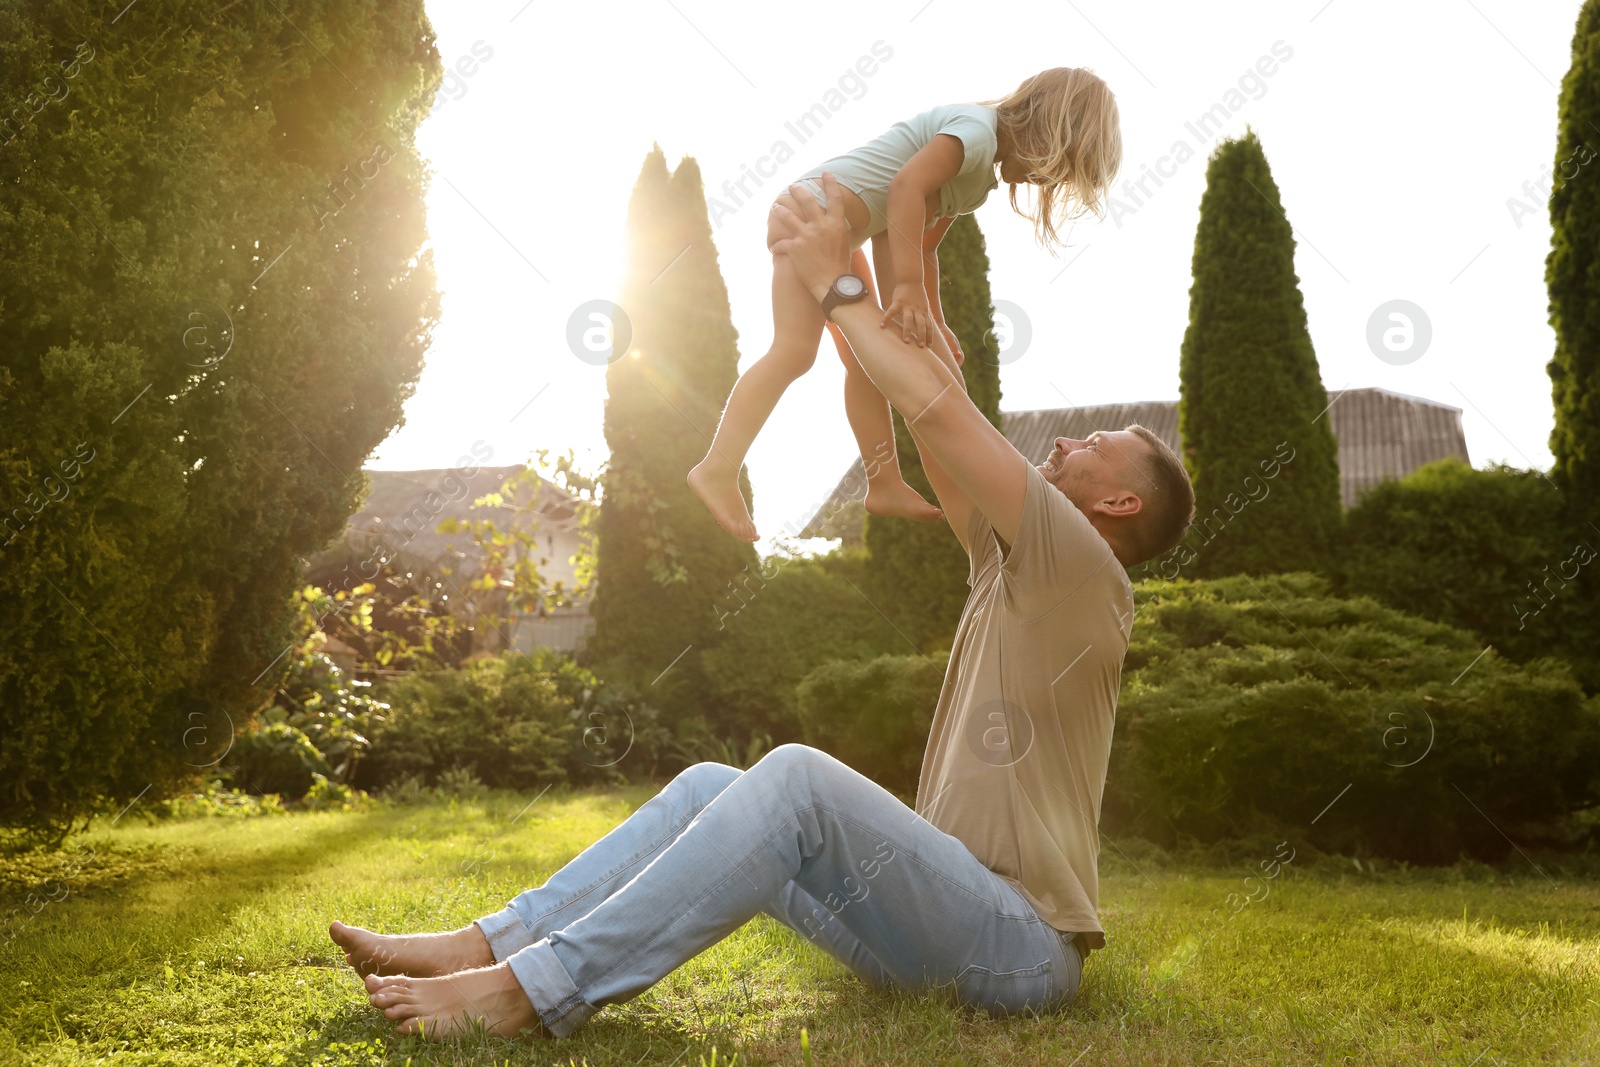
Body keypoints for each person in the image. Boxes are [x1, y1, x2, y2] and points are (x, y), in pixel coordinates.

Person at [329, 170, 1194, 1042]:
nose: (1067, 440)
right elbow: (939, 415)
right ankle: (484, 942)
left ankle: (531, 989)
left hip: (1020, 946)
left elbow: (940, 411)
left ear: (1119, 506)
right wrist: (880, 262)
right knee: (712, 785)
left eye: (1097, 446)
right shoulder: (1015, 569)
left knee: (797, 777)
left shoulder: (1085, 569)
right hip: (941, 922)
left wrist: (835, 281)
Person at [687, 67, 1122, 542]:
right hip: (810, 213)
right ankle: (717, 467)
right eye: (1053, 167)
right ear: (1046, 130)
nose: (1043, 180)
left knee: (866, 358)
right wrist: (907, 289)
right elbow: (903, 190)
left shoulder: (977, 181)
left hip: (846, 229)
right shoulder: (974, 133)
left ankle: (884, 481)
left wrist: (931, 316)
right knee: (794, 352)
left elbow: (917, 243)